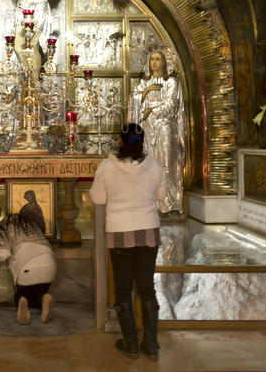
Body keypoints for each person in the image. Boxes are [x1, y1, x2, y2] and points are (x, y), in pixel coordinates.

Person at [89, 122, 168, 360]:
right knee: (147, 289)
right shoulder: (154, 165)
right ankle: (152, 345)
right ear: (142, 142)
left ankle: (132, 344)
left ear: (120, 141)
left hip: (120, 233)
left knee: (123, 290)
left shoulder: (107, 167)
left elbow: (98, 197)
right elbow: (161, 195)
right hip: (148, 232)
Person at [127, 51, 184, 213]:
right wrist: (147, 91)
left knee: (166, 162)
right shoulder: (144, 83)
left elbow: (172, 104)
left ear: (165, 62)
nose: (154, 62)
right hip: (148, 129)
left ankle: (169, 202)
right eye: (151, 59)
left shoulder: (172, 82)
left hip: (165, 126)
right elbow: (133, 101)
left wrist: (151, 110)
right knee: (147, 163)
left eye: (157, 59)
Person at [0, 212, 56, 325]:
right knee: (40, 290)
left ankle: (22, 302)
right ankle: (44, 297)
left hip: (26, 264)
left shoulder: (5, 228)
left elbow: (1, 255)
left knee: (22, 294)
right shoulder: (32, 226)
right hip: (49, 263)